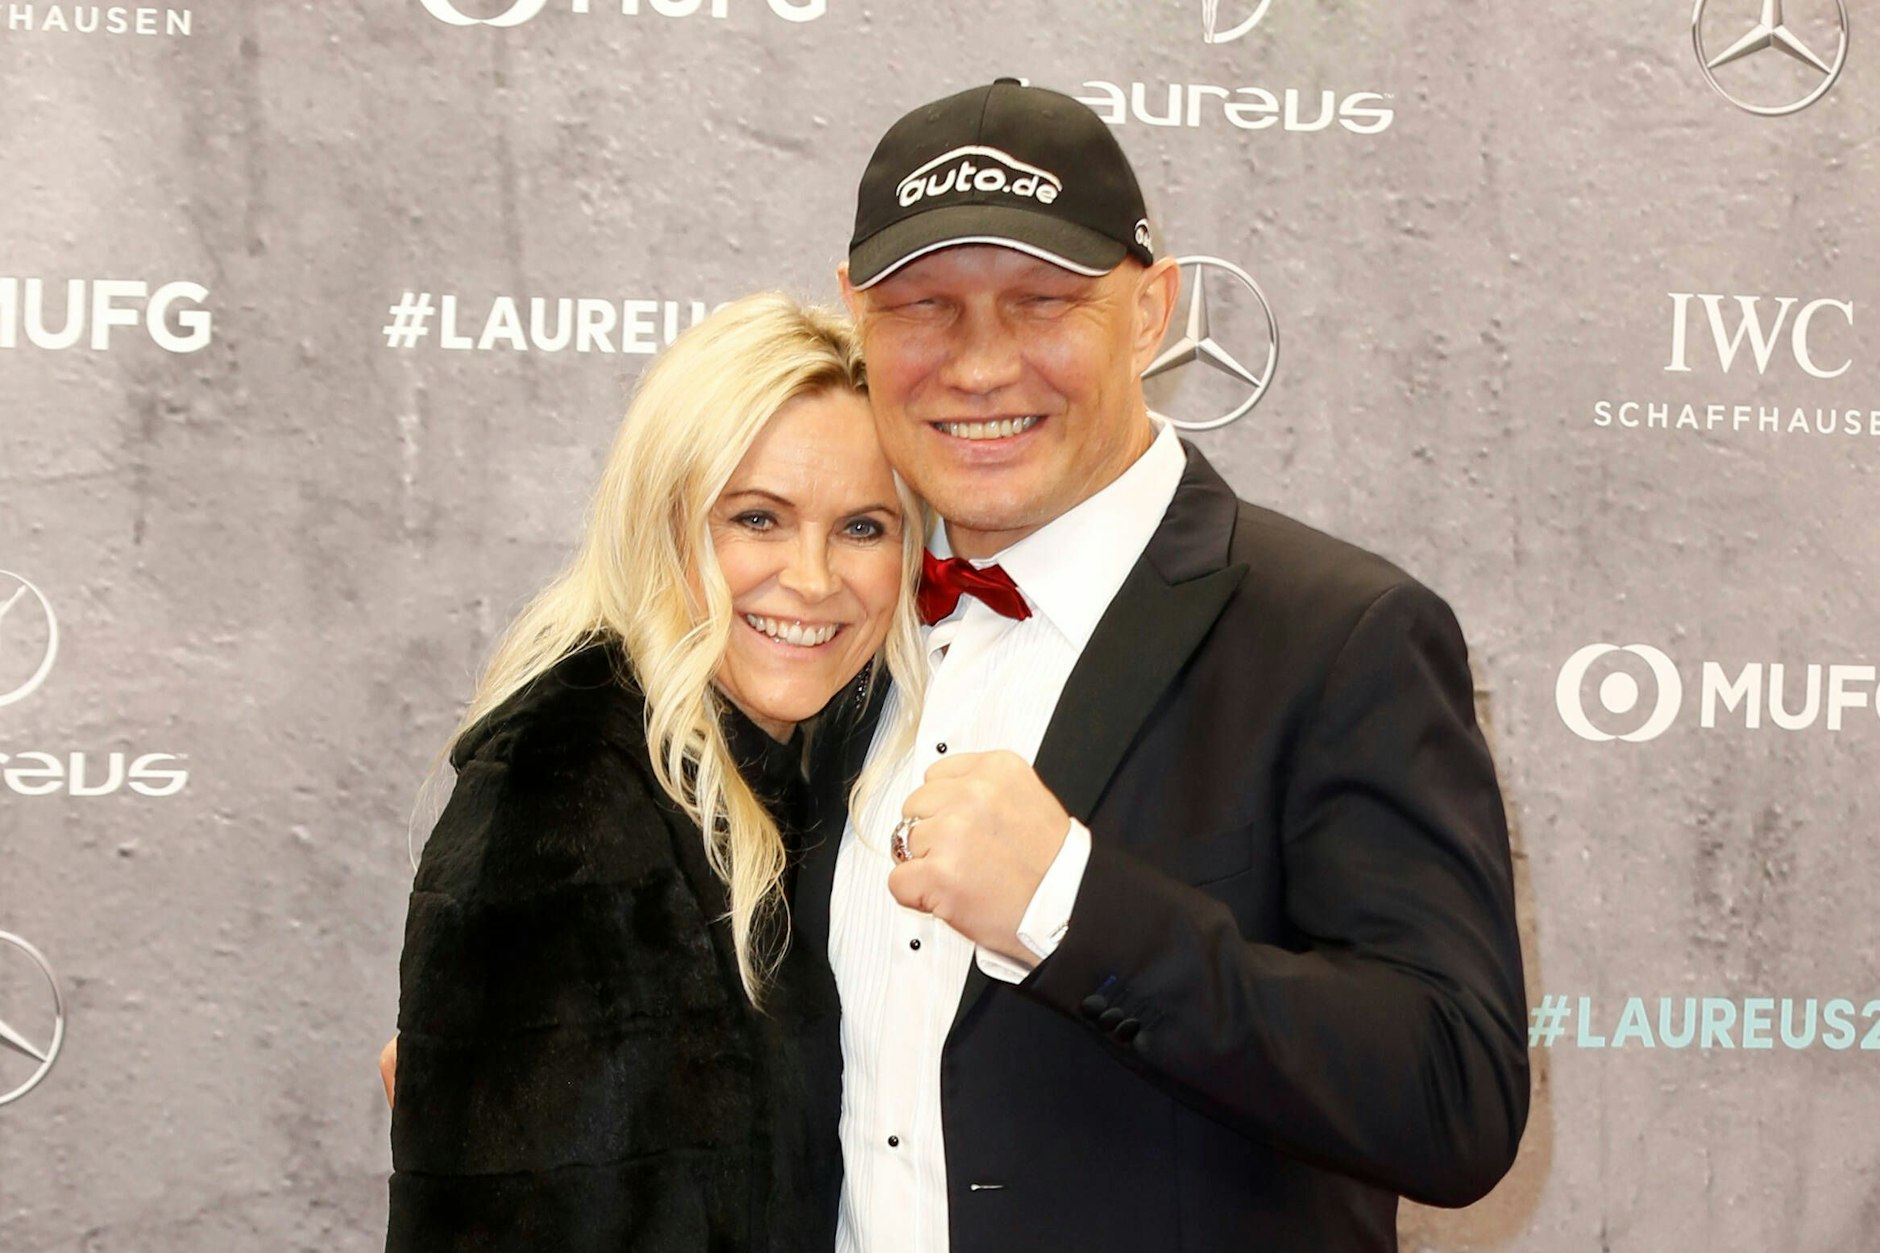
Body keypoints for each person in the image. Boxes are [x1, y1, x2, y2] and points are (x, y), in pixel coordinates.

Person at [791, 80, 1530, 1252]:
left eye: (1042, 302)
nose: (979, 367)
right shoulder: (820, 626)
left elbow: (1452, 1093)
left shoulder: (1343, 635)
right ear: (852, 317)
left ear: (1150, 313)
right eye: (922, 305)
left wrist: (1069, 903)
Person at [383, 292, 926, 1253]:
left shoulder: (791, 774)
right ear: (661, 519)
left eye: (862, 527)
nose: (812, 576)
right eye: (758, 518)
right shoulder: (565, 782)